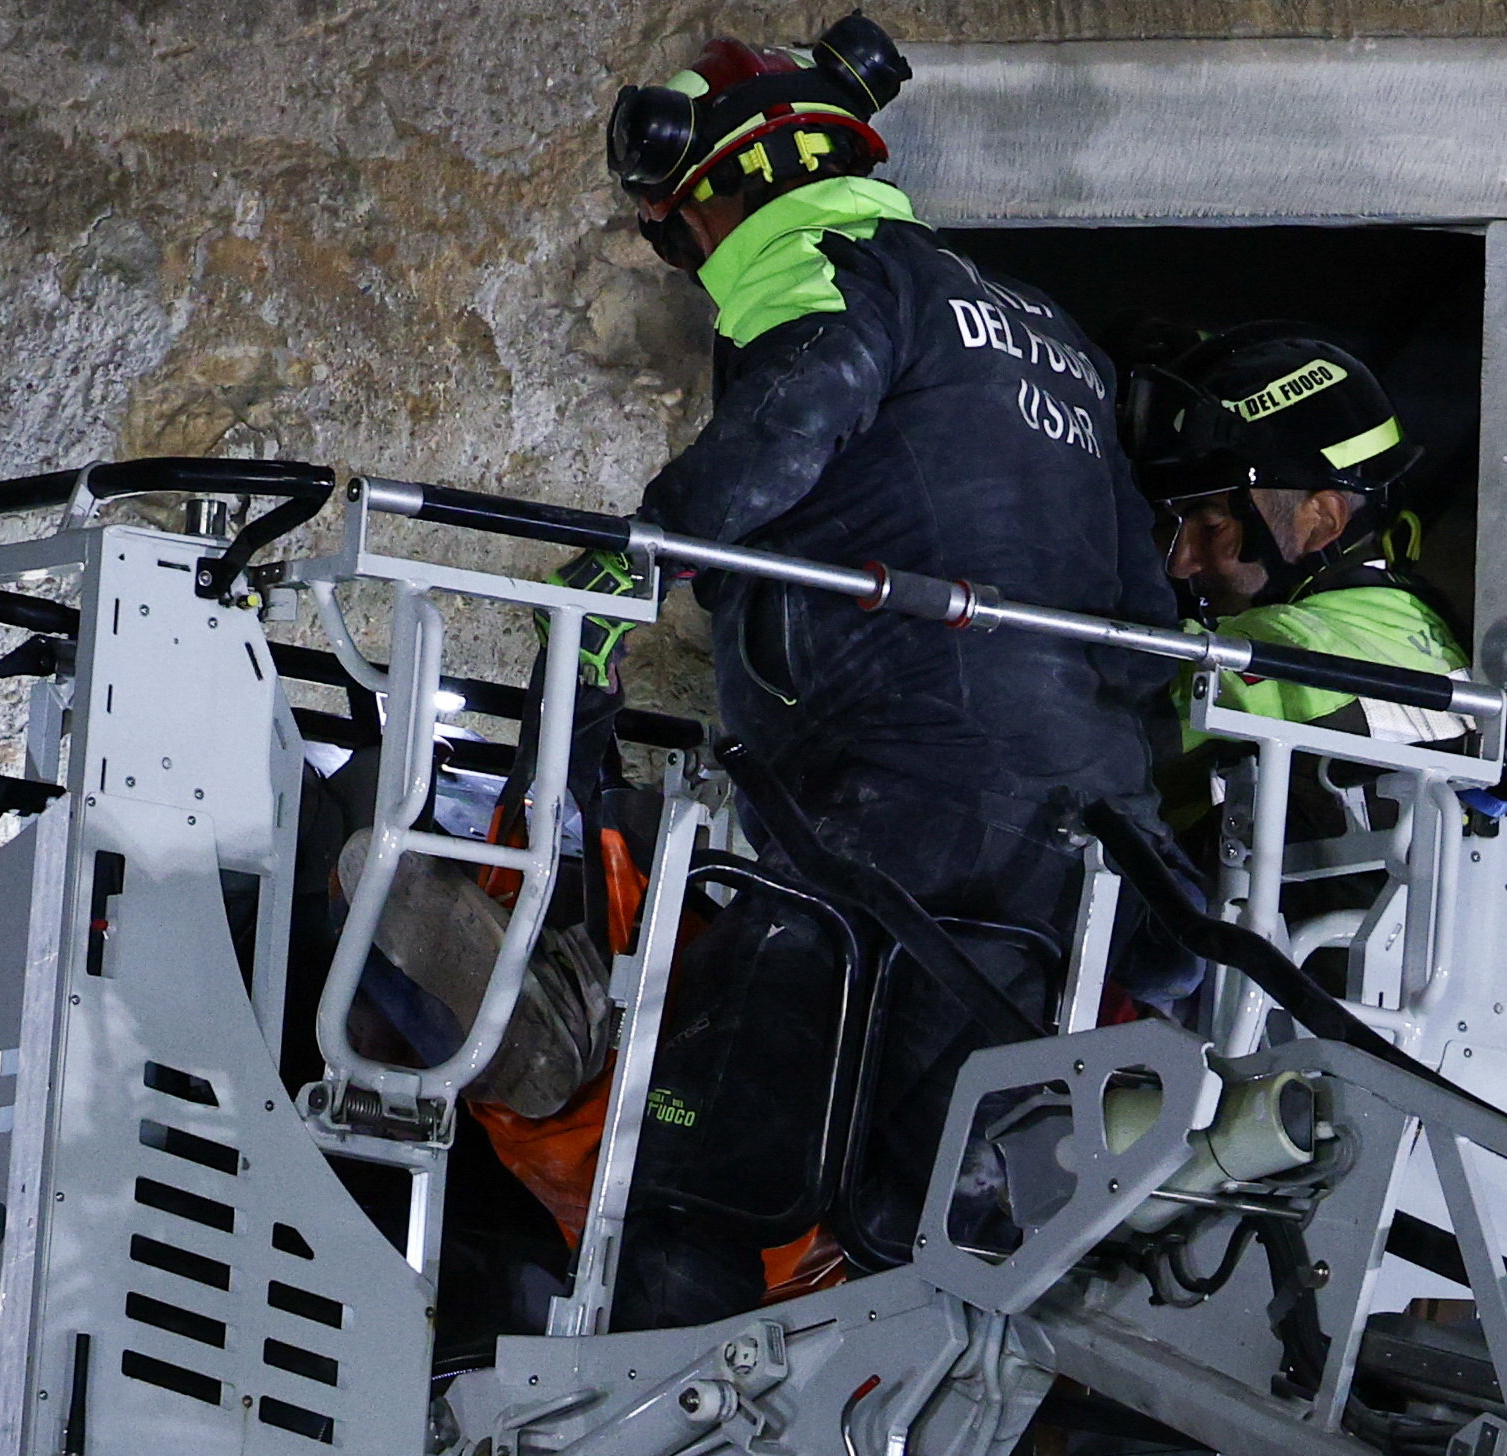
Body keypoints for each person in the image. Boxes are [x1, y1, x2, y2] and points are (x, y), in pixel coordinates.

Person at [589, 14, 1190, 1329]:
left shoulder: (823, 261)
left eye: (680, 240)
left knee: (701, 1164)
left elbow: (792, 423)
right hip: (1067, 849)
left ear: (716, 189)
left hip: (883, 814)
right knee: (916, 1220)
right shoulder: (1052, 334)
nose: (690, 274)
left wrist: (635, 556)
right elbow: (1148, 609)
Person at [1125, 324, 1472, 946]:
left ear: (1322, 518)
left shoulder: (1292, 643)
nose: (1180, 563)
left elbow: (1086, 723)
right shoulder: (1413, 627)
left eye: (1209, 526)